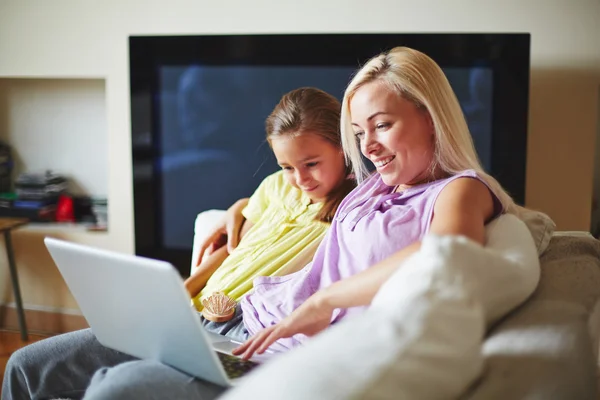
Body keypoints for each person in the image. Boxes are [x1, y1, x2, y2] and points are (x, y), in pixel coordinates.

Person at [2, 47, 515, 400]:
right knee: (26, 366)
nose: (369, 145)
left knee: (116, 388)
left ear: (433, 115)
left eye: (383, 125)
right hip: (237, 325)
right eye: (359, 132)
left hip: (281, 354)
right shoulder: (373, 186)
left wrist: (323, 301)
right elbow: (290, 192)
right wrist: (237, 210)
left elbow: (449, 250)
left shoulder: (460, 189)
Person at [184, 87, 356, 312]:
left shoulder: (354, 206)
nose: (300, 179)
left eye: (311, 164)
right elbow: (233, 249)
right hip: (200, 308)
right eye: (287, 167)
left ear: (343, 147)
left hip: (245, 319)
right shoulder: (275, 185)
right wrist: (182, 291)